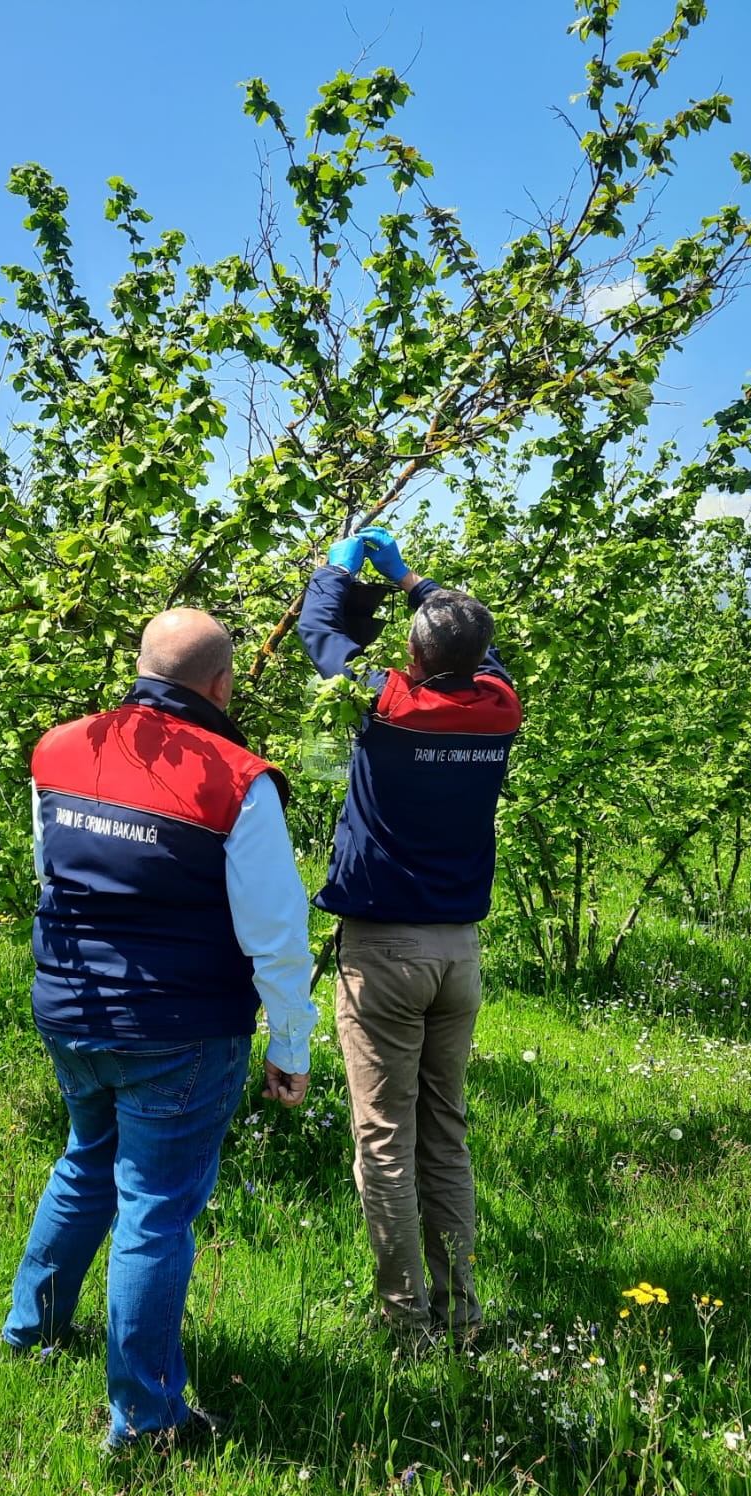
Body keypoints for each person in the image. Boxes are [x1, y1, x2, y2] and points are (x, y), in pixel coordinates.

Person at [2, 608, 316, 1451]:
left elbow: (52, 872)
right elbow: (276, 931)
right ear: (221, 685)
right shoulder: (236, 778)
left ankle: (31, 1334)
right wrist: (291, 1045)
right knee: (156, 1212)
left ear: (141, 665)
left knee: (85, 1162)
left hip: (70, 1012)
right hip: (179, 1029)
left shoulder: (59, 747)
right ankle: (144, 1421)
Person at [296, 526, 521, 1343]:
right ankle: (462, 1310)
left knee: (385, 1141)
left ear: (414, 659)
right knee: (446, 1132)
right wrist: (419, 584)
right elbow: (477, 648)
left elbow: (319, 635)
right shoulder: (499, 708)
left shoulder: (384, 702)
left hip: (385, 950)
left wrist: (341, 571)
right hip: (457, 955)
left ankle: (405, 1322)